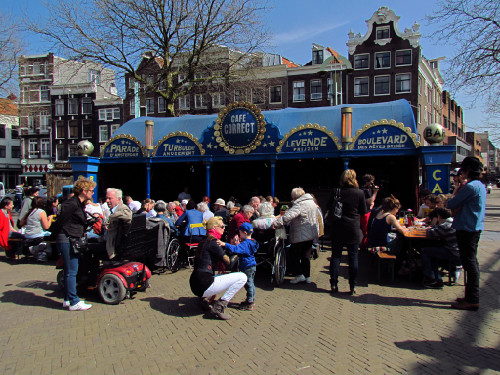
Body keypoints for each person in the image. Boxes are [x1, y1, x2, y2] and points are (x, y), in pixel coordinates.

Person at [447, 156, 486, 311]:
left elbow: (452, 203)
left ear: (467, 170)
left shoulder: (470, 187)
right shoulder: (479, 185)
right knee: (471, 263)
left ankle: (472, 299)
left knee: (469, 264)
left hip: (467, 228)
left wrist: (457, 188)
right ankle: (470, 296)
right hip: (473, 227)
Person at [189, 216, 247, 320]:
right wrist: (238, 249)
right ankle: (219, 306)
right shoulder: (214, 242)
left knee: (220, 276)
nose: (224, 229)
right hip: (204, 284)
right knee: (242, 277)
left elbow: (221, 255)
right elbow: (229, 263)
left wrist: (230, 247)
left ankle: (204, 300)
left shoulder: (203, 241)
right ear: (215, 228)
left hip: (194, 283)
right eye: (222, 226)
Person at [54, 178, 95, 311]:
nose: (92, 193)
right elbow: (61, 221)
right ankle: (74, 301)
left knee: (69, 271)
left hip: (69, 237)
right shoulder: (72, 204)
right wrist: (66, 233)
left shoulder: (77, 203)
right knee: (72, 271)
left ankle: (67, 299)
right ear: (84, 191)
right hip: (68, 238)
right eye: (91, 191)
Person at [328, 170, 367, 295]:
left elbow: (329, 207)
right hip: (353, 228)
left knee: (336, 257)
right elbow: (363, 211)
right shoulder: (360, 193)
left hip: (338, 227)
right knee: (353, 257)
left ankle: (334, 284)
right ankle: (352, 285)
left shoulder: (336, 191)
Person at [272, 187, 319, 284]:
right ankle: (307, 276)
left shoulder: (299, 204)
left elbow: (288, 216)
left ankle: (299, 275)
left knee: (294, 254)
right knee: (306, 255)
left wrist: (276, 224)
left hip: (301, 234)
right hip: (311, 233)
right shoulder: (311, 202)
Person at [218, 222, 259, 310]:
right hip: (252, 265)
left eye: (240, 233)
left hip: (247, 266)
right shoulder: (252, 241)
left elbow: (236, 249)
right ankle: (251, 299)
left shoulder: (245, 244)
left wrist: (225, 244)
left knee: (248, 284)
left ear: (244, 233)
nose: (239, 234)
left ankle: (250, 302)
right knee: (251, 283)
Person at [420, 207, 460, 289]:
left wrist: (429, 229)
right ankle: (436, 277)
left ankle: (431, 278)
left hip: (451, 252)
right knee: (432, 253)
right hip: (458, 251)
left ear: (439, 217)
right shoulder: (453, 222)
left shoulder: (445, 225)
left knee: (425, 251)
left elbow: (430, 234)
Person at [22, 196, 54, 261]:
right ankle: (44, 253)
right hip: (37, 236)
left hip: (28, 235)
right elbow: (46, 227)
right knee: (52, 235)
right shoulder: (41, 212)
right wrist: (50, 219)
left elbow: (21, 223)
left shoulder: (30, 212)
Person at [105, 188, 133, 259]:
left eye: (110, 198)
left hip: (114, 247)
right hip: (108, 240)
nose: (107, 201)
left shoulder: (123, 209)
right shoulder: (114, 210)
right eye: (106, 198)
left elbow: (128, 217)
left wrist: (110, 217)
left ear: (119, 199)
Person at [360, 174, 379, 249]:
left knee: (368, 228)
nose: (372, 184)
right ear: (366, 182)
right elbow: (370, 201)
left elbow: (372, 202)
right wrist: (375, 192)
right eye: (371, 182)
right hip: (365, 212)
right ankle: (363, 245)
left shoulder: (369, 189)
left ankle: (366, 244)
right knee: (365, 230)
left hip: (369, 210)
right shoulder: (363, 190)